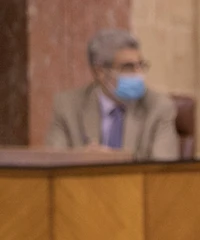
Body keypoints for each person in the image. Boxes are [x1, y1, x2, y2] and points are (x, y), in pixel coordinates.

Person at [46, 29, 180, 160]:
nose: (138, 74)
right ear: (100, 72)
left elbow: (163, 170)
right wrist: (84, 157)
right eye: (128, 67)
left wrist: (114, 159)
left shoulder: (158, 107)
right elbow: (54, 162)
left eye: (140, 65)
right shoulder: (67, 106)